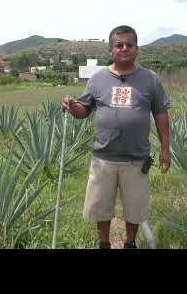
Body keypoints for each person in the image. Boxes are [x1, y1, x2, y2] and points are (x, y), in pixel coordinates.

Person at [61, 25, 171, 249]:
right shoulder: (98, 78)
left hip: (136, 157)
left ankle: (130, 243)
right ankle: (104, 244)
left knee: (135, 206)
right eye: (118, 45)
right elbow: (84, 110)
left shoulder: (150, 79)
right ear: (110, 51)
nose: (124, 48)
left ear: (136, 49)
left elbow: (161, 112)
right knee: (101, 205)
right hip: (104, 157)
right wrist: (73, 107)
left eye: (129, 45)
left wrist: (165, 148)